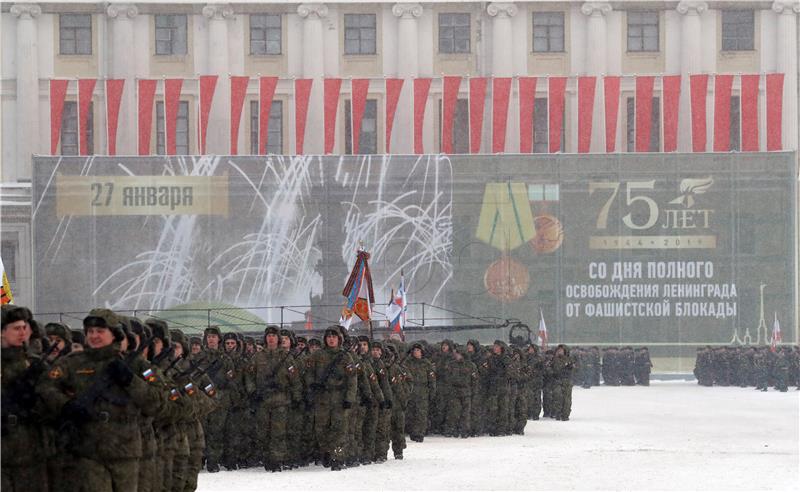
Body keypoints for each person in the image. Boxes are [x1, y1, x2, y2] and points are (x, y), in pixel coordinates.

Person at [37, 309, 163, 492]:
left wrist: (130, 381)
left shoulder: (135, 365)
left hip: (125, 449)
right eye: (90, 331)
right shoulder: (73, 363)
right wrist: (66, 405)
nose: (94, 336)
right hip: (87, 450)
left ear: (114, 334)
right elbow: (45, 387)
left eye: (100, 331)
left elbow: (157, 402)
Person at [1, 305, 49, 492]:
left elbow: (52, 403)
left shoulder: (35, 364)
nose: (22, 333)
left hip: (29, 449)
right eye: (15, 328)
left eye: (24, 328)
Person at [304, 326, 357, 471]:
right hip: (322, 398)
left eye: (334, 336)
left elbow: (352, 380)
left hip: (339, 398)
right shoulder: (317, 355)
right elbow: (308, 373)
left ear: (339, 339)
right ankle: (327, 451)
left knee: (339, 429)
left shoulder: (345, 356)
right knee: (321, 429)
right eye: (328, 337)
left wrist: (349, 399)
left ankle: (337, 457)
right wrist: (313, 386)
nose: (331, 339)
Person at [404, 342, 436, 442]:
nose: (416, 352)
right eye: (414, 350)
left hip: (423, 392)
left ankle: (419, 433)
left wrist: (432, 392)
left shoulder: (426, 364)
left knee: (421, 414)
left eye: (418, 350)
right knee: (410, 414)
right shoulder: (407, 363)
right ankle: (413, 432)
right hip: (411, 391)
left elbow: (432, 379)